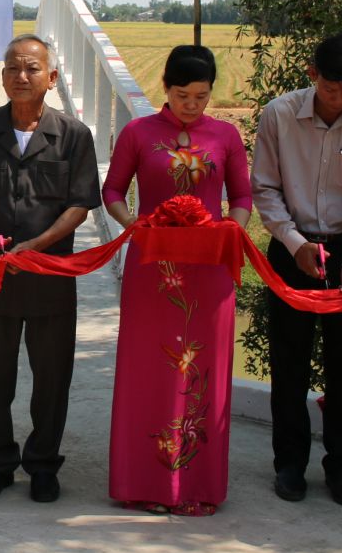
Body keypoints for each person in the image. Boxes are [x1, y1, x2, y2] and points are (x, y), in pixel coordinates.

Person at [0, 35, 101, 504]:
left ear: (52, 77)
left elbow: (79, 206)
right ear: (3, 76)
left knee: (52, 377)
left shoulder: (73, 136)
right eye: (13, 68)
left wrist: (39, 245)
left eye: (32, 68)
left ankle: (43, 465)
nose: (21, 76)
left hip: (51, 276)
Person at [102, 45, 251, 514]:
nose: (192, 105)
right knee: (148, 368)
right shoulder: (138, 132)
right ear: (164, 88)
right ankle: (144, 482)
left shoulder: (226, 136)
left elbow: (242, 196)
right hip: (154, 271)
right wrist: (134, 225)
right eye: (183, 95)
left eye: (202, 97)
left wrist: (232, 233)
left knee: (202, 370)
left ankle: (196, 485)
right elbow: (112, 190)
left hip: (208, 271)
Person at [252, 34, 342, 507]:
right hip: (291, 249)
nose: (340, 98)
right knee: (289, 363)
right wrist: (294, 243)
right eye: (332, 87)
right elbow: (266, 189)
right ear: (312, 75)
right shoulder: (278, 115)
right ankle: (289, 464)